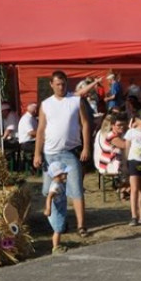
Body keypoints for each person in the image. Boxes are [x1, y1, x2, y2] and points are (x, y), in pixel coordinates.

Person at [34, 71, 92, 237]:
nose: (61, 87)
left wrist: (86, 147)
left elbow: (86, 124)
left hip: (70, 151)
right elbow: (41, 129)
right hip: (50, 153)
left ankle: (81, 225)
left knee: (76, 189)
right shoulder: (45, 104)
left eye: (63, 84)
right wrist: (37, 153)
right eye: (58, 84)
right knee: (49, 190)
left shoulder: (75, 100)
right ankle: (59, 223)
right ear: (51, 84)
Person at [43, 161, 69, 254]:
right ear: (58, 174)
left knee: (60, 227)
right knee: (57, 229)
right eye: (65, 173)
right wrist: (48, 209)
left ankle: (58, 244)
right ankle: (55, 247)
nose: (67, 174)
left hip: (60, 208)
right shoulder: (55, 186)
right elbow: (49, 197)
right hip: (56, 210)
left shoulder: (60, 183)